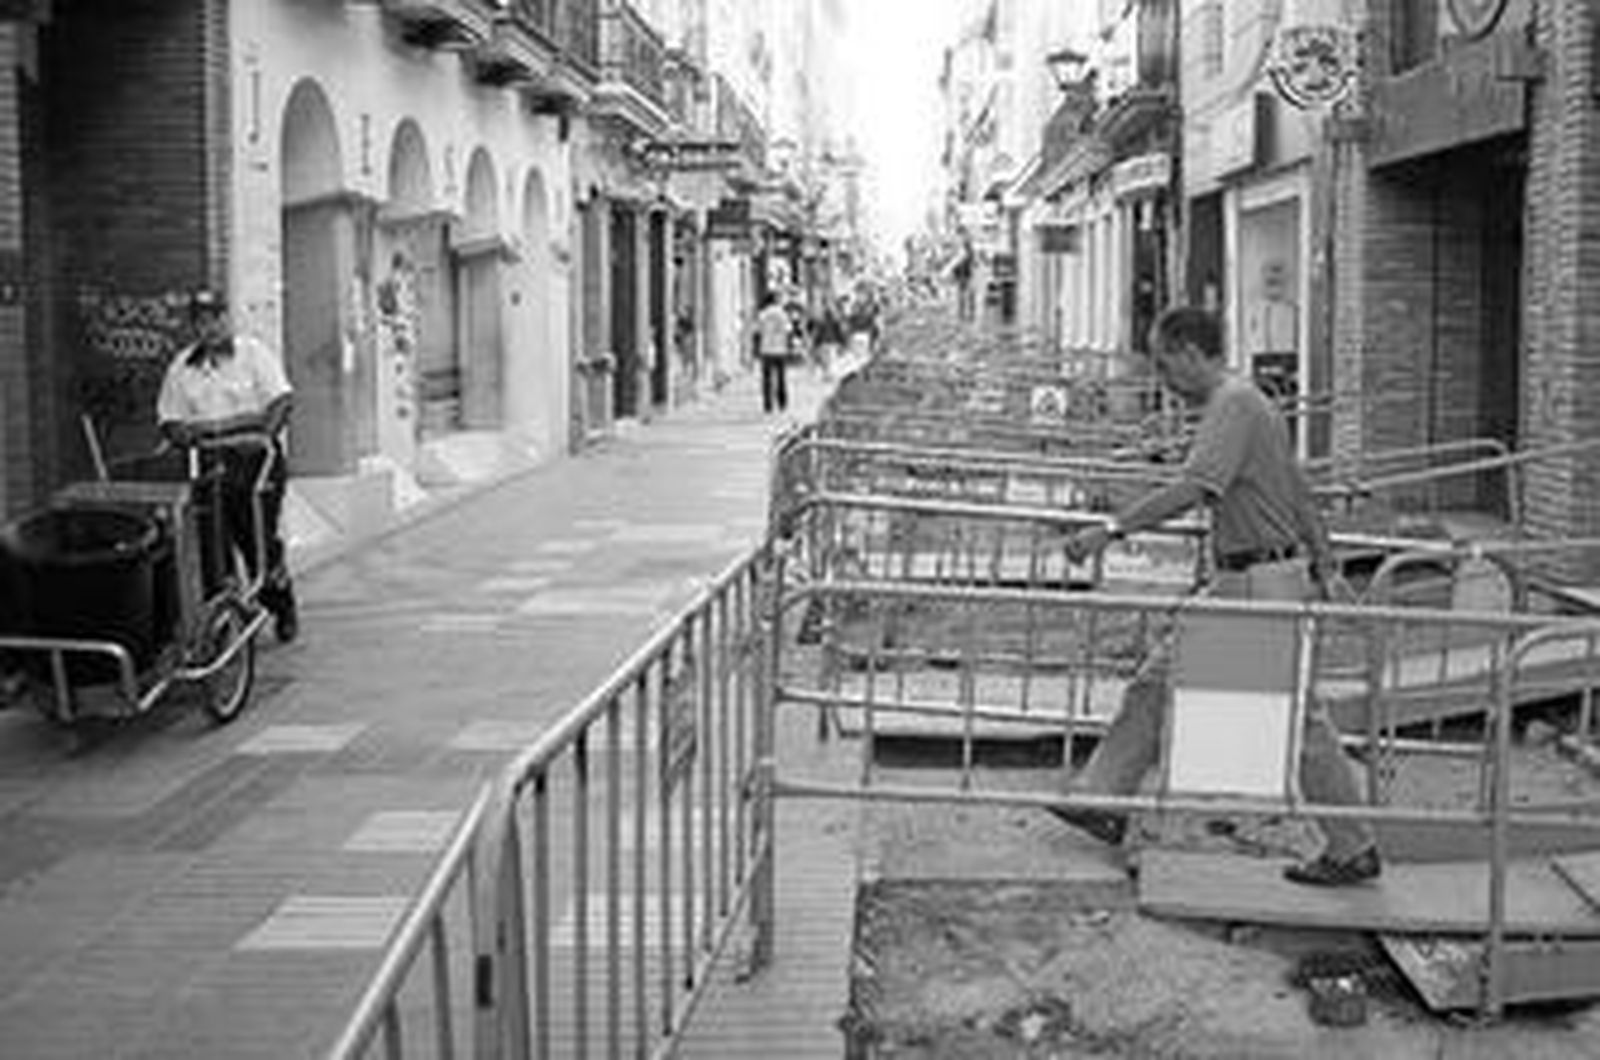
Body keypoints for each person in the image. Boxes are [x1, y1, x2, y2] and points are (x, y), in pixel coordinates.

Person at [1056, 305, 1380, 887]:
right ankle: (1102, 796)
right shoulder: (1250, 403)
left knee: (1300, 723)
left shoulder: (1232, 404)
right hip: (1249, 576)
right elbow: (1297, 488)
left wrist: (1109, 530)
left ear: (1190, 353)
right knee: (1155, 682)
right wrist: (1323, 558)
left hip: (1257, 581)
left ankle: (1353, 847)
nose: (1163, 379)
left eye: (1164, 363)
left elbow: (1194, 487)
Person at [156, 288, 299, 644]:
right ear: (194, 326)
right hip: (206, 466)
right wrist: (190, 433)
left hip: (255, 462)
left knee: (257, 542)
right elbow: (170, 421)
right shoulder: (181, 367)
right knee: (212, 543)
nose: (210, 327)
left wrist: (259, 434)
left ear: (226, 318)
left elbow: (281, 401)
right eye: (201, 321)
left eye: (216, 318)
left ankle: (280, 603)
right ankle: (226, 613)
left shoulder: (253, 354)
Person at [755, 293, 792, 414]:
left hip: (766, 349)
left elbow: (758, 331)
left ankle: (768, 405)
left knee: (767, 379)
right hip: (780, 349)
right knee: (781, 378)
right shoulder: (782, 314)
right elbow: (788, 330)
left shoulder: (763, 314)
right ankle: (782, 403)